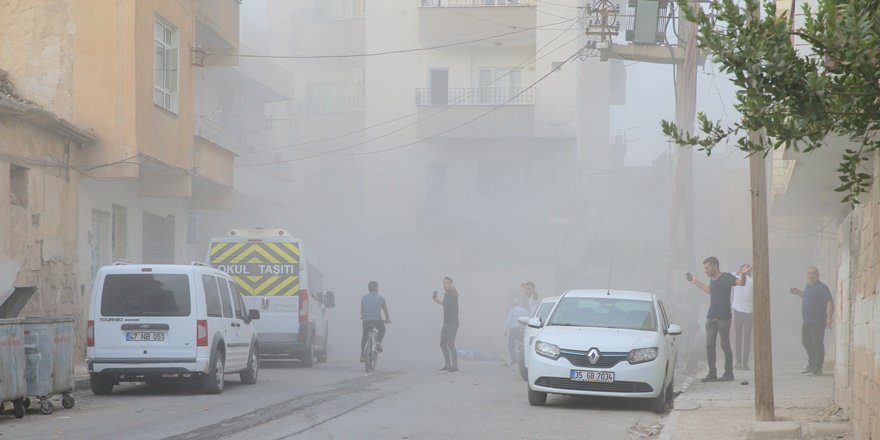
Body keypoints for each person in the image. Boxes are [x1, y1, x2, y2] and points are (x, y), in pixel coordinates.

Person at [688, 256, 738, 382]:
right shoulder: (712, 279)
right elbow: (710, 291)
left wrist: (742, 274)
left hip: (724, 318)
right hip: (711, 317)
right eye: (704, 268)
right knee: (709, 345)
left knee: (725, 345)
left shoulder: (726, 277)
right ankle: (712, 373)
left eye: (707, 267)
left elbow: (741, 283)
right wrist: (695, 282)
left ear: (715, 266)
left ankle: (729, 373)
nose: (705, 270)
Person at [789, 266, 833, 376]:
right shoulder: (808, 286)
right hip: (807, 321)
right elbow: (807, 296)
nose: (811, 275)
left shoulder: (823, 288)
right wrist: (798, 292)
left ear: (818, 275)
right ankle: (812, 364)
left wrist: (829, 317)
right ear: (807, 275)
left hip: (818, 321)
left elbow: (829, 302)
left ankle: (817, 368)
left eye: (814, 273)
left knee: (817, 343)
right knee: (806, 342)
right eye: (809, 273)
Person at [432, 276, 459, 372]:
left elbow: (450, 304)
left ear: (451, 284)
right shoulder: (447, 294)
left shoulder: (453, 293)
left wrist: (438, 300)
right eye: (444, 282)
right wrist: (437, 300)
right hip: (446, 322)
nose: (445, 284)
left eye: (447, 282)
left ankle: (455, 366)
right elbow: (446, 305)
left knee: (451, 344)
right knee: (443, 343)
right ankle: (448, 365)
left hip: (453, 323)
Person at [360, 281, 390, 362]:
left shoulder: (364, 298)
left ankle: (362, 355)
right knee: (382, 329)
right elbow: (385, 310)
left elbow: (362, 310)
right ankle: (378, 343)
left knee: (365, 336)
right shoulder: (380, 298)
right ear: (376, 288)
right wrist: (388, 319)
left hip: (366, 321)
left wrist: (363, 317)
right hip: (377, 320)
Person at [732, 263, 753, 370]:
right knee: (743, 338)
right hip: (744, 312)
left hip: (746, 312)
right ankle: (742, 362)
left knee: (742, 338)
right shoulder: (736, 278)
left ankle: (741, 362)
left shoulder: (737, 278)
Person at [503, 299, 529, 367]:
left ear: (514, 304)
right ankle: (524, 359)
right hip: (522, 329)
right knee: (523, 344)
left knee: (511, 345)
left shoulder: (512, 310)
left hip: (514, 329)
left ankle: (514, 360)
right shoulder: (525, 311)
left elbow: (509, 320)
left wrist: (506, 330)